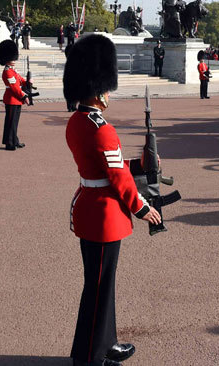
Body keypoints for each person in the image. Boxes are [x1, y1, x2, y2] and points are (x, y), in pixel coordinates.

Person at [62, 34, 160, 366]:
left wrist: (141, 163)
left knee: (101, 286)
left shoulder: (78, 121)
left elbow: (110, 166)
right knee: (99, 289)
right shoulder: (102, 127)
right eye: (107, 87)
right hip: (106, 216)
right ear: (99, 87)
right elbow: (117, 178)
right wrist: (142, 207)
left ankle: (105, 343)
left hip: (89, 206)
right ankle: (90, 356)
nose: (109, 93)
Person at [0, 39, 29, 151]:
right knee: (10, 122)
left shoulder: (13, 71)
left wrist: (28, 82)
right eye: (12, 58)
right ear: (6, 59)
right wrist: (24, 96)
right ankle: (9, 143)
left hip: (16, 99)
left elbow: (20, 81)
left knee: (14, 122)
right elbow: (14, 87)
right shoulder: (7, 71)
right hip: (11, 99)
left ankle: (14, 140)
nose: (14, 60)